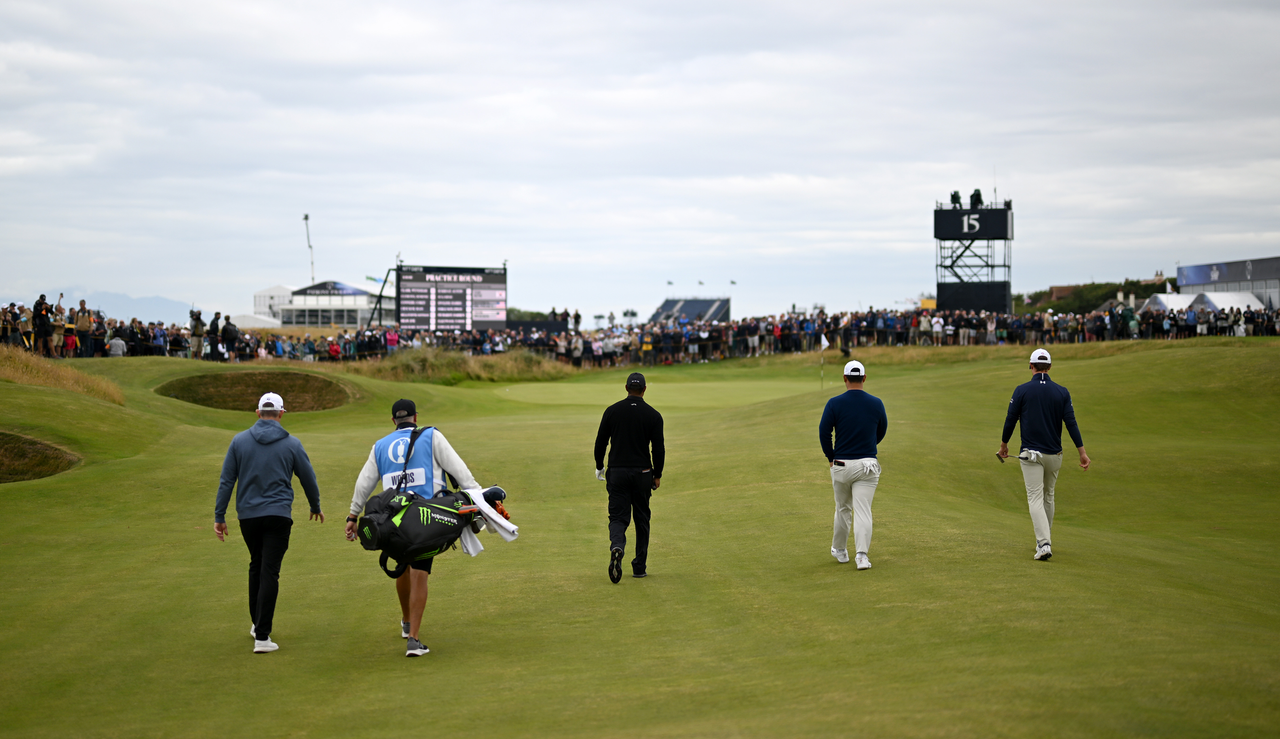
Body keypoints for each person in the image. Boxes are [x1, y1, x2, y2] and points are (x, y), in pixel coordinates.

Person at [345, 398, 483, 658]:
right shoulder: (431, 436)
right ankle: (414, 640)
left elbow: (364, 483)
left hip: (392, 521)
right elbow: (459, 470)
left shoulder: (380, 445)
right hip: (425, 519)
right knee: (420, 571)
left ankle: (406, 621)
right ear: (416, 417)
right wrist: (477, 495)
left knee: (402, 567)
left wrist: (353, 515)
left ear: (393, 421)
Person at [214, 392, 323, 654]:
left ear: (257, 412)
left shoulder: (238, 441)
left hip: (248, 517)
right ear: (282, 414)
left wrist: (219, 516)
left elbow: (227, 480)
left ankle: (257, 624)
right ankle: (262, 636)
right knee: (269, 570)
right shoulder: (292, 443)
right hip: (278, 517)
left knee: (257, 564)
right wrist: (315, 505)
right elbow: (307, 477)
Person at [998, 348, 1091, 561]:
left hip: (1031, 454)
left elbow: (1010, 419)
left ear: (1030, 366)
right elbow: (1071, 423)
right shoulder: (1062, 392)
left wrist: (1004, 445)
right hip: (1054, 455)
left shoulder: (1021, 390)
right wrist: (1082, 452)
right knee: (1048, 496)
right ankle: (1045, 540)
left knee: (1035, 498)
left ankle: (1043, 543)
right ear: (1049, 367)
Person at [593, 372, 665, 583]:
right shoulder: (653, 415)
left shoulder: (612, 411)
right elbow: (658, 449)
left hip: (617, 472)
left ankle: (617, 546)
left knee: (618, 518)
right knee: (642, 519)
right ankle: (639, 567)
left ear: (626, 388)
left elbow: (601, 443)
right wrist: (657, 474)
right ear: (644, 390)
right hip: (643, 473)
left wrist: (599, 466)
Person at [819, 360, 887, 570]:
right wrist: (868, 444)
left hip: (840, 464)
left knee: (843, 508)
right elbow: (881, 430)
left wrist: (830, 457)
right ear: (864, 378)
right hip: (867, 465)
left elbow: (824, 432)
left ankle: (839, 550)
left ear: (845, 378)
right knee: (863, 510)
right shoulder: (876, 403)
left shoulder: (834, 403)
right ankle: (862, 556)